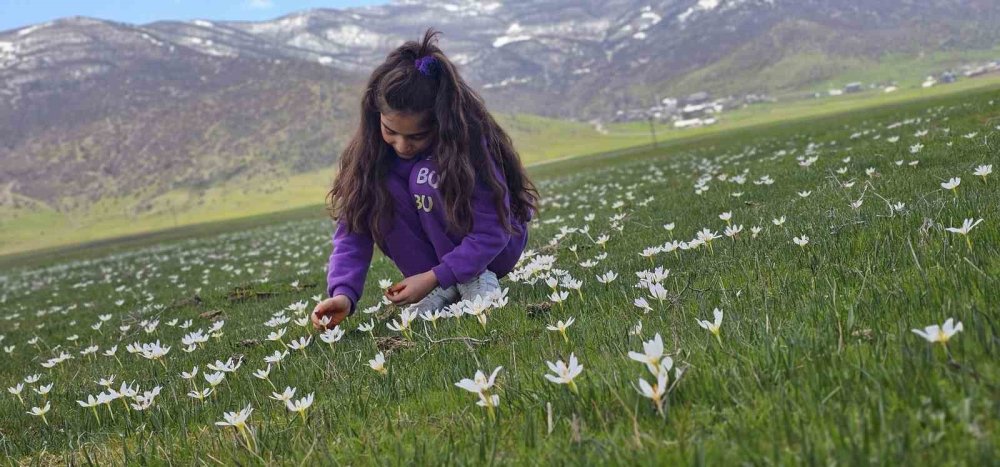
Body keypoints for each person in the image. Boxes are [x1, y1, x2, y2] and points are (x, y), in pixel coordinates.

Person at [311, 28, 538, 330]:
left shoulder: (469, 148)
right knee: (375, 191)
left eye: (417, 136)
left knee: (424, 177)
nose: (402, 146)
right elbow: (353, 232)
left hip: (493, 251)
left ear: (442, 122)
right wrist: (343, 293)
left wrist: (434, 277)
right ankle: (446, 287)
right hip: (431, 269)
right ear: (375, 116)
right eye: (390, 131)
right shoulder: (369, 158)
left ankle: (469, 279)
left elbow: (492, 231)